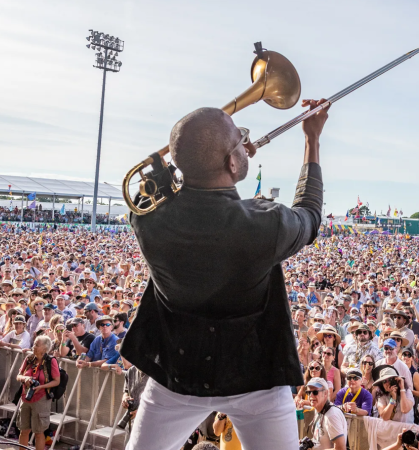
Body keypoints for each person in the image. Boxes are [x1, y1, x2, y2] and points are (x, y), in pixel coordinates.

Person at [121, 101, 329, 450]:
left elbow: (165, 186)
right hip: (257, 378)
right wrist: (312, 139)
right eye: (239, 138)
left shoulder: (147, 219)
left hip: (176, 376)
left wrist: (214, 154)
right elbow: (309, 213)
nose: (246, 139)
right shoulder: (266, 224)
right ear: (232, 162)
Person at [16, 335, 60, 450]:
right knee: (23, 431)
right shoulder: (29, 359)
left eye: (37, 344)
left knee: (39, 433)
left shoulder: (51, 361)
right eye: (34, 343)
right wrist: (25, 379)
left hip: (41, 399)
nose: (33, 346)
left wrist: (42, 387)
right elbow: (18, 375)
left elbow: (56, 381)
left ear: (44, 349)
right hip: (26, 398)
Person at [305, 377, 347, 450]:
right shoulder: (319, 409)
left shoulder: (331, 415)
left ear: (325, 393)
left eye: (315, 392)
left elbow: (341, 448)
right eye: (308, 392)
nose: (311, 396)